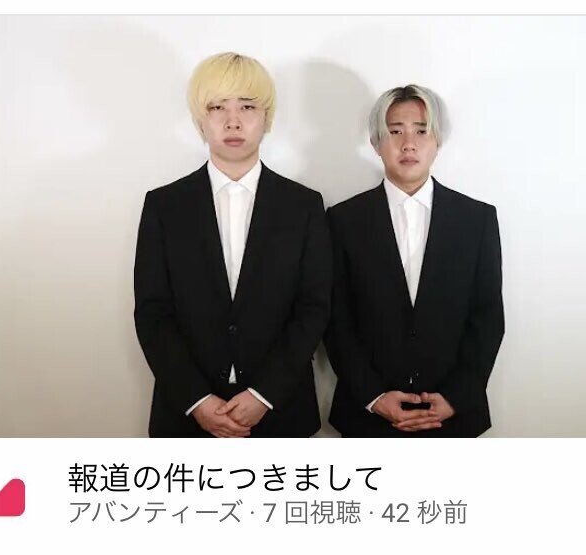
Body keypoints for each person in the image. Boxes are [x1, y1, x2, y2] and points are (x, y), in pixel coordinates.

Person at [134, 52, 331, 437]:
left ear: (267, 117)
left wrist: (263, 394)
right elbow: (153, 312)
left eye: (247, 107)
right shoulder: (164, 206)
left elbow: (314, 308)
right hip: (185, 414)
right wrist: (197, 400)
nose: (233, 120)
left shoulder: (304, 205)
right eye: (217, 107)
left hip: (282, 411)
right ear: (200, 119)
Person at [325, 84, 504, 437]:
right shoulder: (342, 220)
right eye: (395, 131)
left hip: (454, 416)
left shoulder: (476, 219)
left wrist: (456, 397)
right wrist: (374, 397)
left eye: (421, 131)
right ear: (376, 142)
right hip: (367, 416)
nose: (408, 144)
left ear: (438, 140)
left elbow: (487, 318)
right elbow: (336, 320)